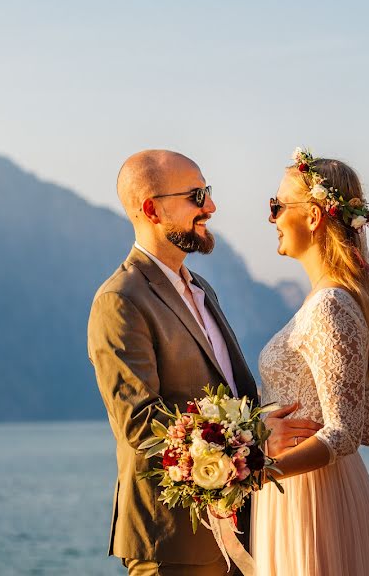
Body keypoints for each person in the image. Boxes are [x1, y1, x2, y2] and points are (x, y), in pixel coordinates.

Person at [87, 150, 321, 576]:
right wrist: (257, 441)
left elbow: (233, 392)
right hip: (173, 540)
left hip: (243, 531)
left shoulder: (202, 289)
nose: (210, 207)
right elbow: (143, 426)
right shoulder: (119, 300)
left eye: (207, 193)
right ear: (152, 209)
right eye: (197, 195)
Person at [251, 148, 369, 576]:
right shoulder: (342, 301)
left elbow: (344, 434)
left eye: (276, 206)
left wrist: (255, 473)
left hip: (310, 502)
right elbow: (366, 426)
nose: (271, 218)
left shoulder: (330, 306)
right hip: (319, 491)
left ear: (313, 217)